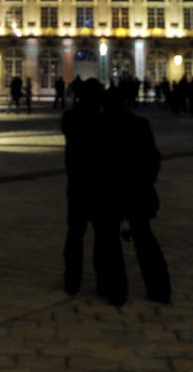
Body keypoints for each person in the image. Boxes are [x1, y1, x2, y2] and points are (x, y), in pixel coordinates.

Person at [103, 83, 170, 303]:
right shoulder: (141, 124)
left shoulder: (103, 126)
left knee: (112, 244)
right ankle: (159, 289)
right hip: (139, 190)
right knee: (144, 239)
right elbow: (153, 159)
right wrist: (147, 183)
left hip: (113, 191)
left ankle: (117, 290)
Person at [61, 79, 125, 304]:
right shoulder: (106, 121)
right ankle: (103, 283)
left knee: (75, 235)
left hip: (78, 185)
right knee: (102, 237)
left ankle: (72, 280)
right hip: (101, 187)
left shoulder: (71, 119)